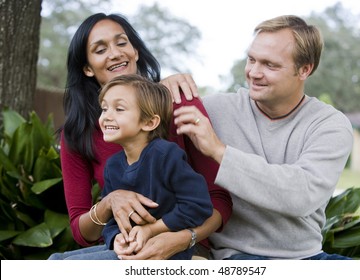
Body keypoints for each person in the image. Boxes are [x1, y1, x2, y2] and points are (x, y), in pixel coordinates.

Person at [173, 15, 354, 260]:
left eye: (270, 65)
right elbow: (141, 119)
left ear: (304, 69)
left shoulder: (329, 125)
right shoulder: (213, 110)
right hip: (238, 256)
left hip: (306, 258)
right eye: (251, 60)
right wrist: (165, 87)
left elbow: (301, 195)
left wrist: (219, 151)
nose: (254, 73)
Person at [53, 13, 232, 260]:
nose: (115, 53)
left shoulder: (176, 102)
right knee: (56, 262)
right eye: (100, 49)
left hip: (187, 243)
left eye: (122, 42)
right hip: (130, 246)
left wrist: (178, 239)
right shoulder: (82, 137)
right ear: (87, 68)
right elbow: (82, 231)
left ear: (135, 51)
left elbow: (218, 199)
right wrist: (110, 206)